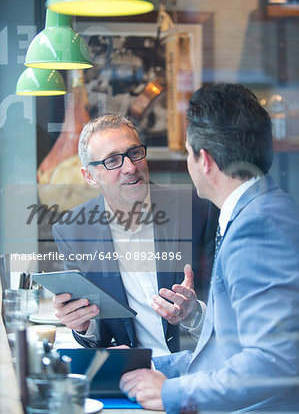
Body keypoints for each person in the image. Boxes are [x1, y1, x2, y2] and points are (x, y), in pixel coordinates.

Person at [119, 83, 299, 412]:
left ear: (204, 160)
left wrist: (171, 393)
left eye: (187, 152)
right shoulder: (257, 211)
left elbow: (274, 362)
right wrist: (160, 370)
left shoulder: (259, 227)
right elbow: (234, 347)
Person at [52, 115, 218, 356]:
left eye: (135, 153)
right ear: (89, 176)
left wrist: (195, 315)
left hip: (197, 368)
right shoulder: (73, 231)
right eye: (112, 160)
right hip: (132, 373)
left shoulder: (198, 209)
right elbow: (101, 334)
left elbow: (234, 311)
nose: (130, 167)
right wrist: (84, 325)